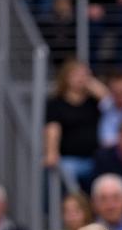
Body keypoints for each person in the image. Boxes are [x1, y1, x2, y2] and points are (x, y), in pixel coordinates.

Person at [43, 59, 107, 192]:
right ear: (66, 77)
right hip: (69, 159)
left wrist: (91, 83)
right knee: (63, 175)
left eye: (84, 75)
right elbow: (53, 129)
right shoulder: (56, 103)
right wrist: (51, 152)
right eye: (76, 75)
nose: (81, 79)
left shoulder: (94, 101)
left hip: (95, 158)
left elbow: (110, 102)